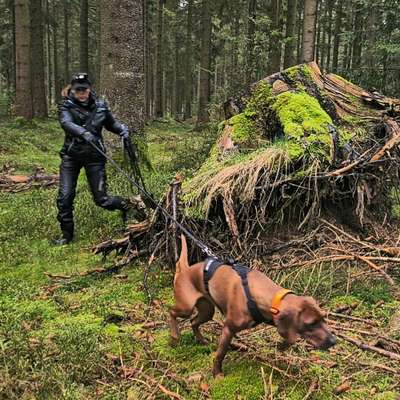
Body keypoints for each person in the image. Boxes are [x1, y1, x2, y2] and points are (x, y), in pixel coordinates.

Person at [52, 72, 133, 245]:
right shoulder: (66, 107)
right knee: (65, 196)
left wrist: (122, 130)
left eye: (84, 89)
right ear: (72, 90)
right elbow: (66, 123)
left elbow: (112, 124)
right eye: (78, 90)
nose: (81, 93)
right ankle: (66, 235)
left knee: (102, 200)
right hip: (71, 157)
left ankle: (127, 206)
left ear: (90, 89)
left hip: (95, 157)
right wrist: (83, 132)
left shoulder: (101, 107)